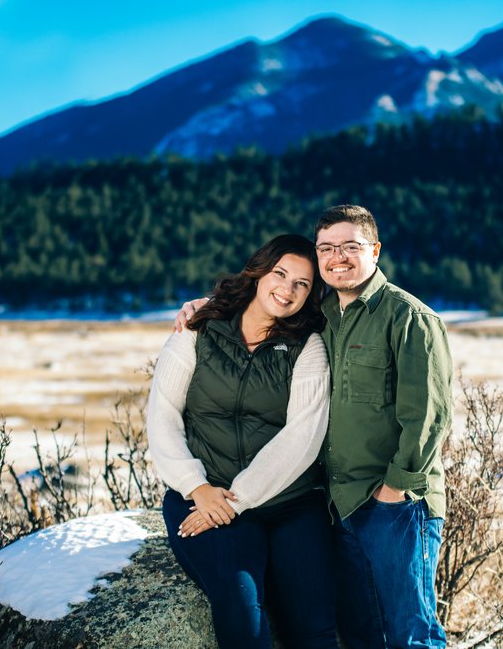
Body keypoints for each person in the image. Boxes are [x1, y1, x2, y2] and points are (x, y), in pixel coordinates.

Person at [177, 205, 453, 649]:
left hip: (394, 506)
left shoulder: (410, 318)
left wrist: (394, 491)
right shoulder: (323, 315)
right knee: (362, 634)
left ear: (375, 250)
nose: (337, 257)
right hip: (340, 506)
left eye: (350, 247)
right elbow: (267, 302)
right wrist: (206, 306)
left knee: (410, 635)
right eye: (327, 248)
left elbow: (429, 416)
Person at [148, 234, 338, 649]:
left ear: (311, 294)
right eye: (280, 274)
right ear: (258, 272)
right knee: (240, 609)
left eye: (302, 284)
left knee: (315, 626)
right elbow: (162, 415)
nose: (287, 290)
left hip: (289, 503)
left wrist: (236, 499)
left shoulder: (308, 347)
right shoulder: (198, 329)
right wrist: (196, 487)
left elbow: (303, 437)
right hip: (203, 493)